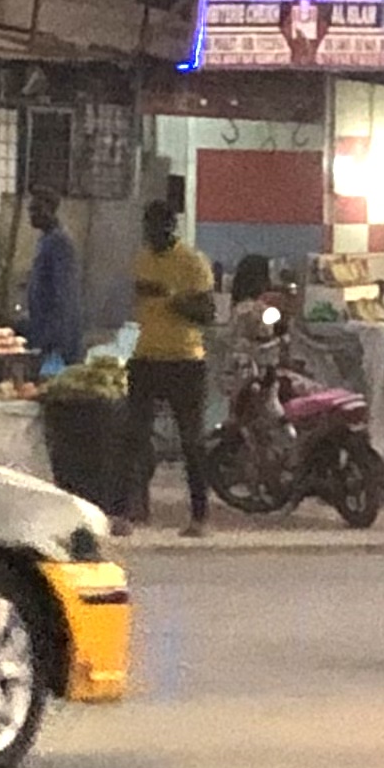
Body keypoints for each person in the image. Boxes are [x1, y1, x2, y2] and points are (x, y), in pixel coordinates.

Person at [125, 199, 221, 538]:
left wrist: (174, 298)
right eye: (148, 228)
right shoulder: (142, 259)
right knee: (135, 437)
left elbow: (208, 312)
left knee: (191, 441)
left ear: (171, 227)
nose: (152, 234)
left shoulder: (193, 263)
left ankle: (199, 516)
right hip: (146, 356)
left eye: (159, 228)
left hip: (185, 360)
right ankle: (132, 509)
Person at [21, 195, 83, 378]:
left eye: (37, 210)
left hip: (56, 332)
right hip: (43, 325)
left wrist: (54, 335)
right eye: (30, 210)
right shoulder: (45, 240)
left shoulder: (59, 242)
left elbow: (64, 291)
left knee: (52, 381)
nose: (32, 215)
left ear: (51, 210)